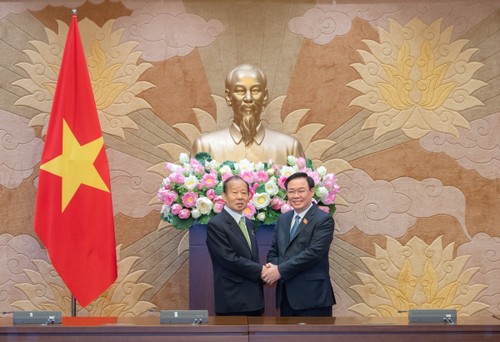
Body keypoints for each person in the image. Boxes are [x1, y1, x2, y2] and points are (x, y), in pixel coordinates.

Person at [191, 64, 305, 165]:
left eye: (255, 90)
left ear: (265, 96)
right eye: (240, 91)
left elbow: (303, 187)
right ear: (228, 97)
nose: (248, 98)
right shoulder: (205, 147)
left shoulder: (289, 148)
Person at [262, 172, 335, 316]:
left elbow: (314, 253)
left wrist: (280, 270)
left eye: (301, 191)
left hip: (313, 297)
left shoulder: (323, 220)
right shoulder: (283, 219)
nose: (296, 196)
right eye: (291, 191)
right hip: (286, 297)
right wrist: (274, 267)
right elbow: (273, 252)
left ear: (312, 192)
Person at [206, 175, 265, 316]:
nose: (240, 197)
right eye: (234, 192)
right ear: (224, 196)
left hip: (254, 299)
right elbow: (229, 259)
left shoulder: (249, 223)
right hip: (233, 300)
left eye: (244, 193)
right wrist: (262, 270)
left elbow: (250, 257)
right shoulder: (217, 224)